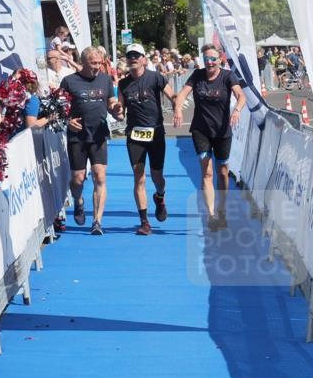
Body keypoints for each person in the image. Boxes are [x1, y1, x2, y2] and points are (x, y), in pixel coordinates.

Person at [173, 44, 246, 231]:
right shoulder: (197, 76)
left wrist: (237, 110)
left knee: (222, 172)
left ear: (220, 59)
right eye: (206, 59)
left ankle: (222, 209)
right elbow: (181, 94)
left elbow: (241, 96)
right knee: (207, 172)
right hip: (201, 130)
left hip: (222, 131)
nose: (210, 62)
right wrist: (178, 109)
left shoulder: (228, 76)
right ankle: (211, 215)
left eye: (213, 59)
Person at [60, 46, 122, 235]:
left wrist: (116, 107)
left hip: (99, 135)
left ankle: (97, 221)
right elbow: (59, 109)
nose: (97, 67)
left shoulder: (104, 79)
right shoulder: (69, 81)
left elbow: (111, 101)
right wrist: (67, 121)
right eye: (93, 63)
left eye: (99, 63)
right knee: (78, 180)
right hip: (77, 137)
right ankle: (78, 202)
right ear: (83, 63)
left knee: (99, 176)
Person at [117, 43, 176, 235]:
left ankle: (160, 197)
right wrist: (116, 110)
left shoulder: (155, 77)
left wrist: (177, 107)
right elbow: (120, 112)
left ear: (143, 59)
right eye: (130, 56)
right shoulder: (123, 84)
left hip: (156, 133)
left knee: (157, 176)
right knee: (139, 176)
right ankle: (144, 222)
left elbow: (173, 95)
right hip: (135, 135)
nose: (133, 58)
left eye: (136, 55)